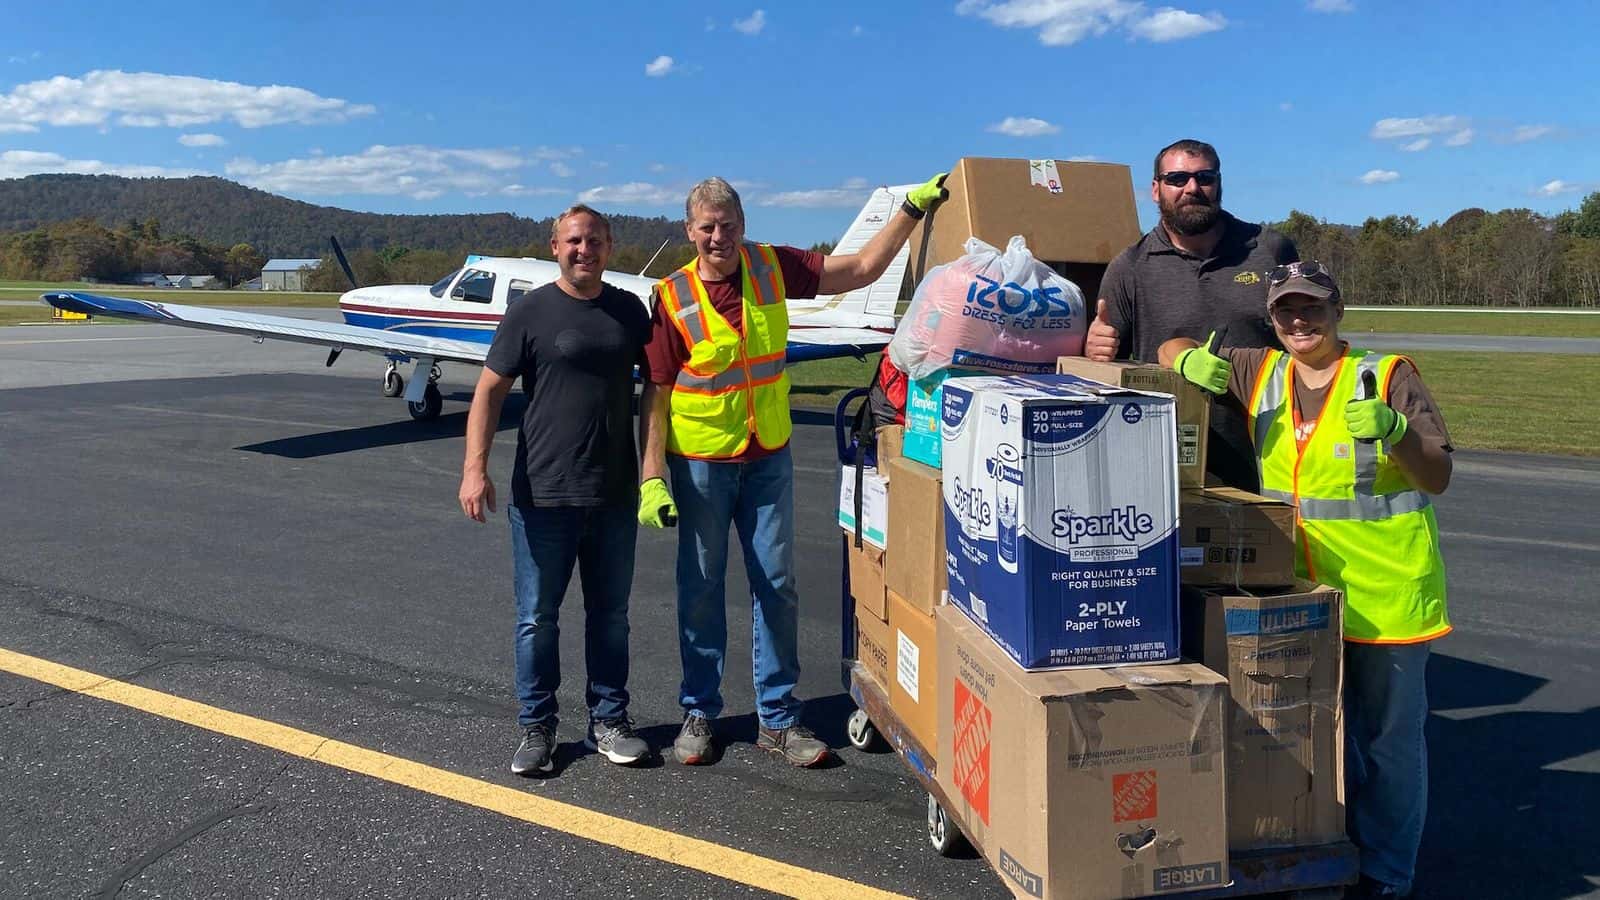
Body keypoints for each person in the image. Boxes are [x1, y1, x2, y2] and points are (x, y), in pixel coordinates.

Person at [1159, 262, 1451, 899]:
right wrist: (1184, 365)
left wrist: (1398, 433)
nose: (1300, 320)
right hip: (1297, 594)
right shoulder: (1260, 370)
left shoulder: (1386, 374)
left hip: (1387, 595)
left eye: (1312, 307)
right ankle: (1322, 851)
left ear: (1337, 309)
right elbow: (1171, 342)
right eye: (1286, 310)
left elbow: (1436, 476)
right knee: (1312, 733)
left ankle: (1387, 872)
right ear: (1271, 319)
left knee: (1389, 744)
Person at [637, 174, 948, 768]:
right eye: (706, 227)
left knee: (776, 585)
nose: (718, 237)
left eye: (727, 225)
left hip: (768, 455)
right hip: (701, 462)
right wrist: (651, 475)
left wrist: (909, 209)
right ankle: (699, 710)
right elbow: (655, 392)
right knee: (700, 589)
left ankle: (777, 717)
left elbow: (858, 270)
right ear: (689, 231)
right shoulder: (672, 297)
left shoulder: (770, 266)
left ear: (743, 225)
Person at [459, 204, 652, 776]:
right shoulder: (529, 311)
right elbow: (489, 392)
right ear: (554, 247)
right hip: (542, 494)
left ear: (609, 246)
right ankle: (537, 728)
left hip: (614, 491)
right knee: (537, 618)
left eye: (594, 240)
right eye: (574, 241)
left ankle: (610, 720)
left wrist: (656, 469)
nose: (584, 250)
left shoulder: (630, 310)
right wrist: (475, 467)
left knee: (610, 615)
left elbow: (665, 386)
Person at [1085, 138, 1299, 491]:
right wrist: (1095, 349)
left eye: (1205, 178)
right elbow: (1106, 373)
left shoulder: (1269, 250)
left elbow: (1306, 336)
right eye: (1177, 179)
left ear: (1219, 184)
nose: (1192, 188)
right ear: (1156, 189)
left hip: (1269, 451)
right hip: (1169, 462)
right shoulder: (1131, 267)